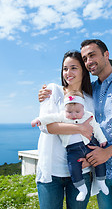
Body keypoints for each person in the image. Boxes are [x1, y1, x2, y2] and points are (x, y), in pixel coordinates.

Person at [39, 39, 112, 209]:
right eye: (85, 59)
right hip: (102, 173)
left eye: (92, 55)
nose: (89, 61)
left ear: (106, 55)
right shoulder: (91, 90)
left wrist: (107, 152)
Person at [35, 51, 96, 209]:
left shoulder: (90, 101)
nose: (68, 73)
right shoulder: (53, 91)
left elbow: (93, 134)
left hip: (81, 171)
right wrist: (80, 128)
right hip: (51, 172)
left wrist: (90, 160)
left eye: (74, 68)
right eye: (65, 68)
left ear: (83, 70)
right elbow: (46, 126)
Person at [31, 90, 109, 201]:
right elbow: (50, 118)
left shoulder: (88, 115)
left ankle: (101, 181)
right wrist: (38, 120)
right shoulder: (62, 116)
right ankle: (82, 189)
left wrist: (102, 139)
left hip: (88, 146)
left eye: (77, 111)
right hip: (73, 151)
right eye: (69, 112)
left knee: (99, 162)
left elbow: (96, 128)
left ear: (83, 108)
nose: (73, 115)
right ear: (65, 110)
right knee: (74, 169)